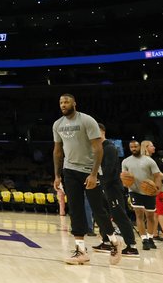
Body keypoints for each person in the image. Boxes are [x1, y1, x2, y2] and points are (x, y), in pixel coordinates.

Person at [51, 93, 123, 266]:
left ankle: (114, 241)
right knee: (75, 210)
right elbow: (57, 151)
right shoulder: (58, 124)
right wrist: (57, 175)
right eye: (61, 102)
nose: (63, 104)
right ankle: (81, 251)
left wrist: (94, 174)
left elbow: (98, 149)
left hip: (88, 171)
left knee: (98, 210)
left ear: (74, 103)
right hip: (70, 170)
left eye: (66, 101)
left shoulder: (87, 120)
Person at [96, 122, 138, 257]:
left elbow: (109, 170)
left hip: (112, 187)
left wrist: (101, 181)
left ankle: (132, 246)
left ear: (102, 132)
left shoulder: (109, 148)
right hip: (104, 186)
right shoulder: (98, 147)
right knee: (103, 215)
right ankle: (106, 241)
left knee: (119, 216)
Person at [122, 138, 163, 250]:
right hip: (134, 191)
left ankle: (150, 238)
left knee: (150, 216)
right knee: (139, 215)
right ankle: (144, 240)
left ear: (140, 147)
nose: (133, 149)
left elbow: (157, 175)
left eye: (135, 146)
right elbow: (124, 176)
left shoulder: (149, 161)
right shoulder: (125, 161)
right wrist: (125, 182)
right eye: (131, 147)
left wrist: (157, 188)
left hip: (149, 192)